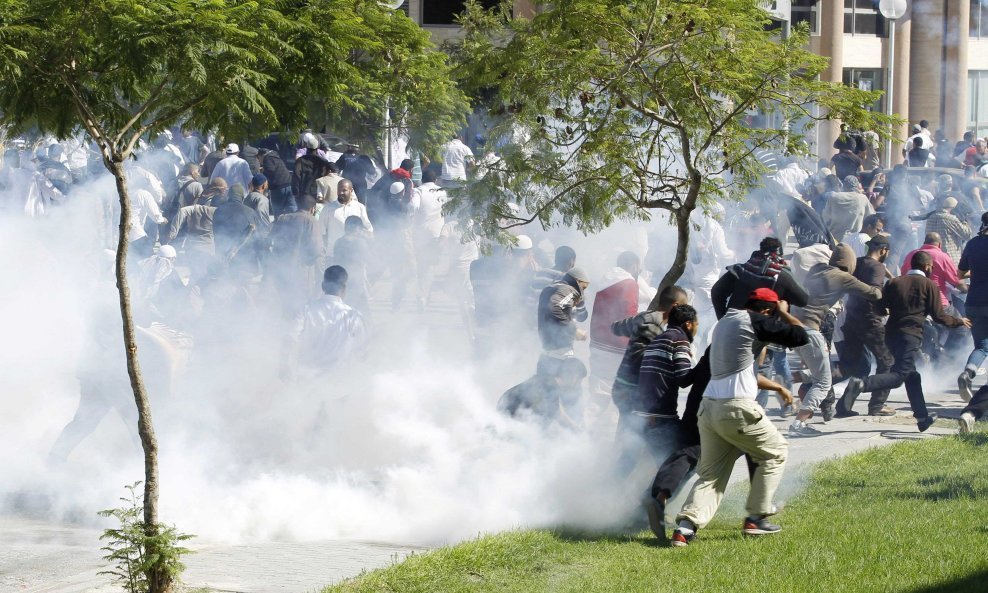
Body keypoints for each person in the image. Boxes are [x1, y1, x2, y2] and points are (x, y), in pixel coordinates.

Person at [671, 288, 808, 546]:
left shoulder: (726, 322)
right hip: (736, 408)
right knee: (776, 451)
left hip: (710, 408)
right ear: (767, 310)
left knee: (711, 474)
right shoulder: (754, 320)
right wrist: (785, 313)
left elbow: (745, 368)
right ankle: (756, 518)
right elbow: (800, 336)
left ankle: (685, 528)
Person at [841, 251, 971, 429]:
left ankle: (922, 418)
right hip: (909, 336)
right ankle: (862, 384)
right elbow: (939, 316)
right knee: (899, 376)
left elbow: (878, 306)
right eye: (931, 266)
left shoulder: (894, 282)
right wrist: (959, 321)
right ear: (926, 266)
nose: (931, 269)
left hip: (890, 335)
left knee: (912, 376)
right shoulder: (928, 284)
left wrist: (886, 311)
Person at [789, 244, 882, 433]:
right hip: (811, 331)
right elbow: (874, 294)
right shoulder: (842, 277)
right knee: (823, 382)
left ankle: (785, 379)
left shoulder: (816, 270)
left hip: (793, 329)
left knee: (819, 373)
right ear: (850, 263)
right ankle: (799, 424)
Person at [609, 285, 690, 474]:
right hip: (630, 392)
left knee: (631, 440)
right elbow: (639, 355)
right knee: (636, 444)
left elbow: (616, 327)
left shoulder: (646, 317)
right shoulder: (655, 324)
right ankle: (615, 483)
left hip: (625, 389)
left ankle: (616, 478)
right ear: (675, 305)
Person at [835, 235, 897, 418]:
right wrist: (884, 308)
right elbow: (875, 293)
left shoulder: (858, 263)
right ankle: (877, 406)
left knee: (849, 366)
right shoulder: (877, 267)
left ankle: (814, 385)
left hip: (851, 320)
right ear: (884, 250)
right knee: (887, 362)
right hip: (870, 322)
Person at [285, 265, 367, 377]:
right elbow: (361, 350)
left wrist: (284, 365)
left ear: (323, 286)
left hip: (307, 376)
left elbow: (290, 337)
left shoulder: (305, 310)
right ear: (344, 289)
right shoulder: (353, 316)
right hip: (338, 379)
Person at [588, 252, 644, 400]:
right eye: (639, 267)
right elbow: (629, 314)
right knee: (616, 394)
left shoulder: (606, 280)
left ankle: (587, 420)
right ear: (633, 266)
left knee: (598, 388)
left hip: (597, 342)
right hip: (616, 347)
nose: (640, 271)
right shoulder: (629, 283)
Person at [710, 237, 809, 319]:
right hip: (764, 334)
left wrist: (723, 318)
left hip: (733, 325)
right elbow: (803, 300)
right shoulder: (783, 276)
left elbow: (716, 292)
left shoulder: (742, 269)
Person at [497, 357, 587, 430]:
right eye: (579, 381)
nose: (578, 385)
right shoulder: (548, 386)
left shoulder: (549, 382)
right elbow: (556, 415)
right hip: (508, 416)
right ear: (572, 376)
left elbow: (558, 412)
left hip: (505, 410)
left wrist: (575, 428)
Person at [957, 213, 988, 401]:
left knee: (982, 347)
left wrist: (977, 272)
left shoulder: (973, 243)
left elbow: (960, 273)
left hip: (974, 302)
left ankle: (968, 374)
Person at [537, 266, 590, 364]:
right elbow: (555, 306)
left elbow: (581, 316)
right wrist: (574, 330)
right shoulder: (569, 290)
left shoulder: (550, 288)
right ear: (577, 281)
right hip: (562, 350)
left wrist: (580, 301)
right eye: (584, 286)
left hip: (546, 347)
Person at [321, 179, 373, 258]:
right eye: (339, 190)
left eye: (344, 190)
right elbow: (322, 232)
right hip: (333, 254)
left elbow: (368, 230)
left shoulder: (359, 207)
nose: (340, 193)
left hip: (355, 255)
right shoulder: (328, 208)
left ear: (351, 191)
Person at [823, 176, 874, 242]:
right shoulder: (862, 198)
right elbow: (872, 217)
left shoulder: (833, 197)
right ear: (857, 185)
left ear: (844, 185)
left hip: (835, 238)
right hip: (854, 240)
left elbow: (825, 218)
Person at [922, 197, 970, 266]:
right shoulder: (952, 219)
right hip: (950, 257)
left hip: (931, 257)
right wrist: (964, 221)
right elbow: (967, 234)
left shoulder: (931, 217)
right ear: (954, 208)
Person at [258, 147, 297, 217]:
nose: (259, 161)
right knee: (291, 209)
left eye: (258, 158)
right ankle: (292, 225)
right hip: (289, 184)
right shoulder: (275, 157)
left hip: (278, 188)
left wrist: (263, 172)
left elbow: (270, 170)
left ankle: (278, 226)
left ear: (261, 156)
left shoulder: (267, 158)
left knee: (278, 211)